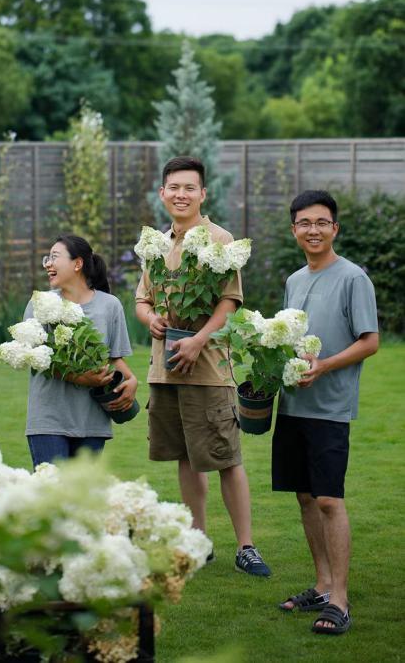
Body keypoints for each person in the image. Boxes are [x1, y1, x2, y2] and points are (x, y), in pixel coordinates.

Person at [135, 155, 270, 577]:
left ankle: (246, 546)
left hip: (209, 367)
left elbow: (229, 302)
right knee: (185, 457)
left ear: (202, 193)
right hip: (165, 368)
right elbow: (142, 299)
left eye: (189, 187)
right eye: (173, 187)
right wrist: (150, 318)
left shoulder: (219, 238)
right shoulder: (156, 243)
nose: (181, 194)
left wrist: (198, 340)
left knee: (225, 456)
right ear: (162, 193)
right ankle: (199, 541)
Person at [273, 189, 379, 635]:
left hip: (330, 408)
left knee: (330, 499)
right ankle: (321, 583)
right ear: (294, 229)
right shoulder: (295, 280)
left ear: (334, 228)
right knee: (304, 496)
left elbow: (369, 341)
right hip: (293, 404)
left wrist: (326, 366)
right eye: (304, 223)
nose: (312, 230)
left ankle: (340, 599)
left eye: (321, 222)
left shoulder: (354, 278)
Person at [24, 233, 138, 468]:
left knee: (82, 500)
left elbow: (114, 359)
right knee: (51, 496)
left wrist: (132, 379)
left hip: (92, 421)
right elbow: (35, 358)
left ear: (78, 264)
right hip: (49, 420)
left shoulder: (110, 305)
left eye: (55, 257)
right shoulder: (41, 303)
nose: (48, 263)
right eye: (47, 258)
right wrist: (80, 377)